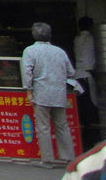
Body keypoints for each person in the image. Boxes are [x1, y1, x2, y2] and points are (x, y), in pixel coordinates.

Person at [22, 22, 76, 167]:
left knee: (43, 127)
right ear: (49, 35)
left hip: (41, 94)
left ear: (34, 35)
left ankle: (47, 160)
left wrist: (28, 91)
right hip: (59, 93)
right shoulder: (60, 51)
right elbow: (71, 72)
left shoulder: (30, 51)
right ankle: (69, 158)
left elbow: (27, 73)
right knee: (62, 125)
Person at [74, 16, 99, 149]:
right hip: (87, 77)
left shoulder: (77, 39)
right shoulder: (90, 39)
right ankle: (92, 140)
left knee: (82, 109)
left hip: (78, 77)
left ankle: (86, 140)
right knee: (90, 109)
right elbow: (90, 61)